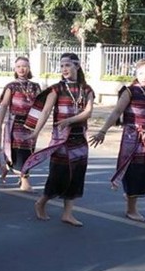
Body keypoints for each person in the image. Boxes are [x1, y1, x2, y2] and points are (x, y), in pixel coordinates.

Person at [89, 59, 145, 222]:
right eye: (141, 73)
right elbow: (117, 112)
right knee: (135, 172)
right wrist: (103, 131)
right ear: (136, 74)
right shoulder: (130, 91)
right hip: (132, 137)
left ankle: (131, 193)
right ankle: (131, 209)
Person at [21, 52, 95, 227]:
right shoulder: (56, 89)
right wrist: (35, 132)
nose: (64, 69)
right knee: (58, 174)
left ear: (77, 66)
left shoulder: (87, 89)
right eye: (61, 66)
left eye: (67, 65)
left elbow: (88, 112)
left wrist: (69, 120)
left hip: (79, 140)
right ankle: (41, 202)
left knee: (76, 175)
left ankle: (67, 214)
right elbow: (45, 112)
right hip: (60, 140)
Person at [0, 57, 41, 191]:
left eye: (25, 66)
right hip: (15, 124)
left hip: (31, 123)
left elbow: (40, 106)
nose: (22, 69)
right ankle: (25, 181)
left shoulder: (35, 86)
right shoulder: (11, 86)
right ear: (15, 69)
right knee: (19, 152)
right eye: (19, 66)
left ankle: (7, 167)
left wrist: (38, 125)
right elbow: (4, 106)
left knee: (29, 151)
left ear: (29, 68)